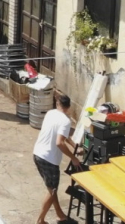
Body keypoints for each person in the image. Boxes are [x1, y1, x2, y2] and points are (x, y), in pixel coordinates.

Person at [33, 93, 81, 224]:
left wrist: (75, 146)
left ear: (58, 104)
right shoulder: (65, 121)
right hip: (49, 159)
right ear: (69, 107)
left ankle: (60, 215)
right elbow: (59, 142)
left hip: (37, 154)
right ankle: (40, 220)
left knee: (51, 189)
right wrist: (74, 158)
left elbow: (62, 136)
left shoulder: (51, 113)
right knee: (52, 191)